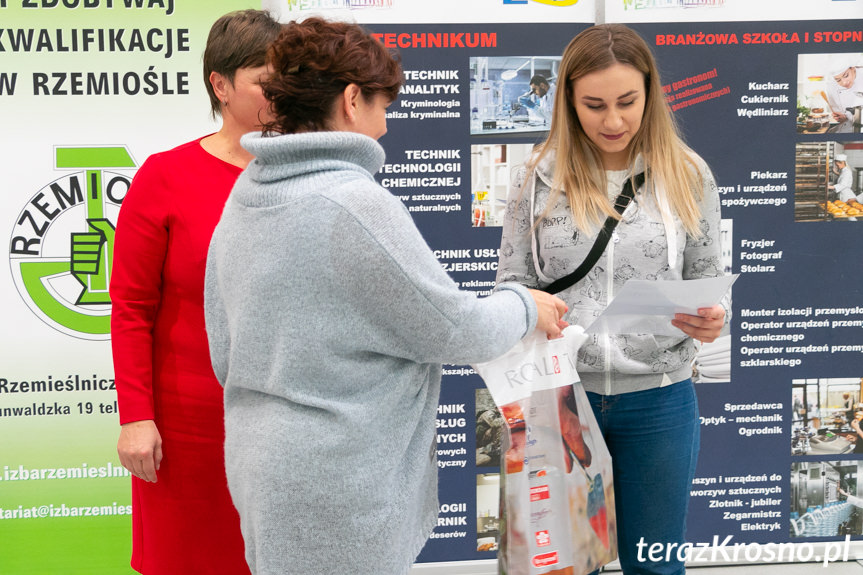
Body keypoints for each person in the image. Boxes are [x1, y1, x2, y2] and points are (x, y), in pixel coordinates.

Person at [202, 17, 568, 575]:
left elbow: (225, 351)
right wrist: (524, 306)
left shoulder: (247, 195)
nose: (385, 125)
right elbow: (453, 330)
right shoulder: (353, 204)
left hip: (261, 468)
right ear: (352, 100)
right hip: (340, 480)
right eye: (382, 104)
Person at [495, 24, 729, 575]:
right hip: (561, 397)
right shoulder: (538, 176)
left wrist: (712, 319)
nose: (614, 121)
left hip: (660, 399)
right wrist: (526, 306)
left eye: (627, 102)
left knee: (655, 565)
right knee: (569, 566)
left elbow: (708, 277)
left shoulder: (688, 174)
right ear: (569, 103)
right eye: (594, 105)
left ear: (650, 93)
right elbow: (510, 281)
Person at [109, 10, 281, 575]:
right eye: (264, 78)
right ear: (221, 84)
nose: (279, 92)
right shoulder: (165, 176)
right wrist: (136, 416)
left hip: (282, 423)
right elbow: (132, 308)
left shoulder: (305, 175)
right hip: (188, 431)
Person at [824, 55, 863, 124]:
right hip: (848, 127)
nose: (844, 82)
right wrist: (842, 117)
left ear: (853, 68)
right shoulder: (832, 86)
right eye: (838, 80)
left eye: (846, 76)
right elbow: (837, 112)